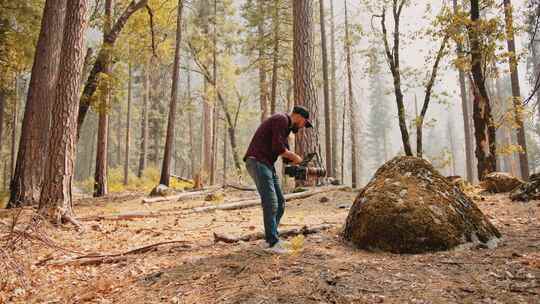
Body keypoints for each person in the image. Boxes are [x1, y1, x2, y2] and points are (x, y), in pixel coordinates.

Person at [243, 106, 313, 254]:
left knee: (280, 202)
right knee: (271, 201)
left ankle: (272, 237)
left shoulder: (285, 128)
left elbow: (284, 154)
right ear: (299, 117)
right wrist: (294, 157)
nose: (302, 127)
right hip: (257, 161)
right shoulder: (281, 119)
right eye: (304, 123)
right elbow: (278, 148)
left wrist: (297, 163)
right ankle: (272, 242)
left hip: (266, 164)